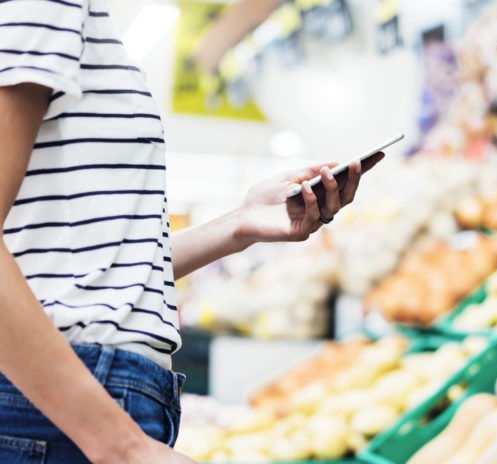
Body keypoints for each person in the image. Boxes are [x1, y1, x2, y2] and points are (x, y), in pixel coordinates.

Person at [0, 0, 382, 462]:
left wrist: (239, 224)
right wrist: (119, 444)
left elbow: (73, 264)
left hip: (74, 402)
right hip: (71, 403)